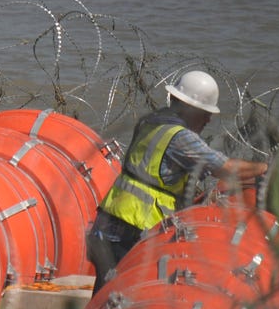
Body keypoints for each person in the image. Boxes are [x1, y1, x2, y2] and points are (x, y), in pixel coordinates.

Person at [87, 70, 268, 297]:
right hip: (133, 227)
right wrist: (265, 168)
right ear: (191, 108)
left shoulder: (150, 122)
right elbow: (224, 168)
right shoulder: (180, 138)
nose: (208, 119)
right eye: (205, 112)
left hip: (109, 221)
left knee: (105, 296)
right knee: (123, 296)